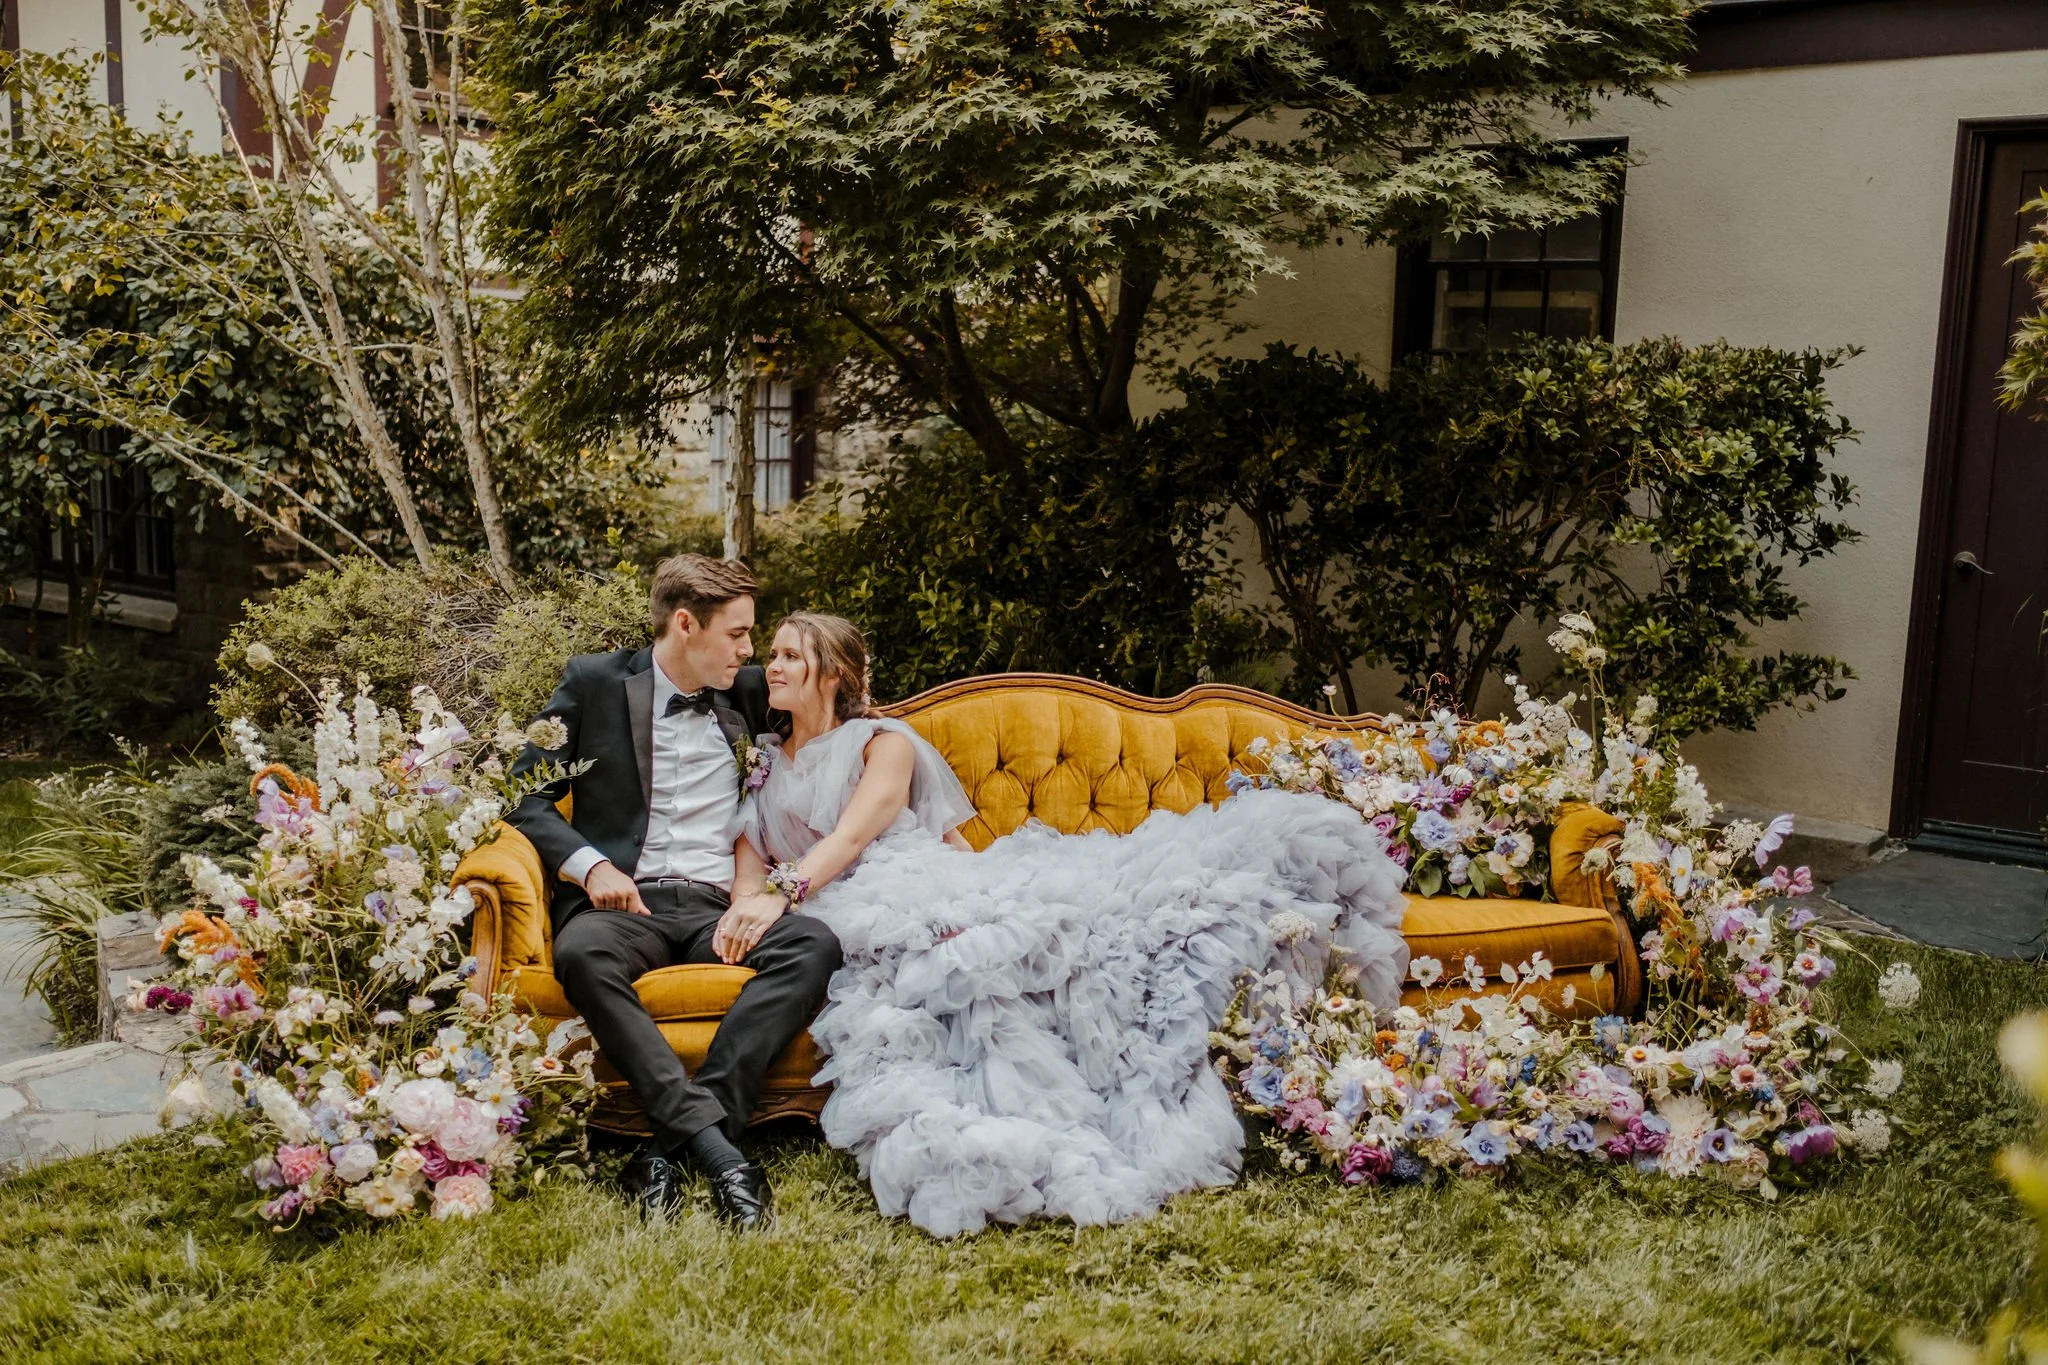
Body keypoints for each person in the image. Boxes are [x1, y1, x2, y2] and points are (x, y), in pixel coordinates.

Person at [736, 612, 1410, 1237]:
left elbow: (854, 836)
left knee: (1013, 944)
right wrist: (748, 906)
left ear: (833, 674)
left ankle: (1102, 1086)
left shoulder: (882, 743)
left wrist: (781, 890)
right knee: (950, 973)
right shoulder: (761, 762)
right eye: (771, 653)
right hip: (833, 908)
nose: (773, 663)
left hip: (901, 881)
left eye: (791, 653)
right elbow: (748, 859)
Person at [507, 556, 842, 1230]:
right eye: (738, 634)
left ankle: (669, 1147)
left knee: (814, 943)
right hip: (623, 902)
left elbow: (841, 708)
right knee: (581, 956)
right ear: (685, 624)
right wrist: (591, 866)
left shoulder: (750, 691)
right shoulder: (595, 681)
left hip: (721, 907)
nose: (751, 651)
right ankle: (724, 1157)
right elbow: (525, 794)